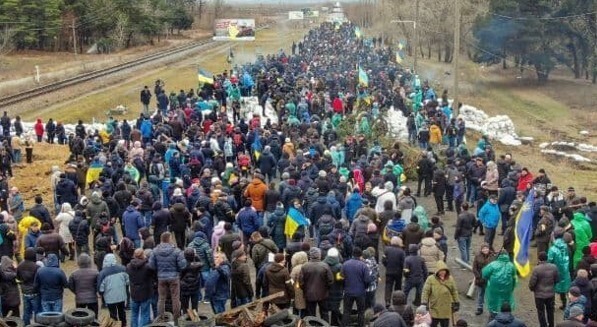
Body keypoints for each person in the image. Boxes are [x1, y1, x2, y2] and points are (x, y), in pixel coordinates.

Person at [149, 232, 187, 319]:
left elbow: (151, 265)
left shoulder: (155, 251)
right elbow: (183, 265)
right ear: (169, 239)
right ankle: (176, 319)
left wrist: (159, 269)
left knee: (161, 299)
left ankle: (161, 318)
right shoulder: (176, 251)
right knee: (175, 299)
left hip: (161, 277)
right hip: (174, 277)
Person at [341, 247, 373, 327]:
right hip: (360, 292)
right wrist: (364, 287)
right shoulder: (363, 266)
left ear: (352, 254)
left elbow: (341, 277)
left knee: (346, 312)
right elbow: (367, 280)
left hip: (348, 292)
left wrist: (344, 286)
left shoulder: (345, 264)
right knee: (361, 312)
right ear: (360, 255)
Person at [421, 260, 459, 327]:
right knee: (432, 324)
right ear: (437, 271)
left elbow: (454, 291)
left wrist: (456, 302)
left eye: (444, 271)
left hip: (446, 307)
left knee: (445, 324)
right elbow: (426, 291)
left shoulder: (450, 279)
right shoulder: (431, 279)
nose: (442, 272)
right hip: (435, 306)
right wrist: (424, 302)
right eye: (441, 271)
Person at [482, 250, 517, 320]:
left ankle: (493, 318)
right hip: (507, 290)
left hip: (494, 289)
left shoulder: (493, 264)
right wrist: (512, 288)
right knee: (505, 302)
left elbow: (484, 274)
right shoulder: (511, 265)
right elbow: (514, 279)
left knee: (493, 303)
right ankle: (506, 318)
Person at [300, 247, 334, 318]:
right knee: (324, 313)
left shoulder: (305, 266)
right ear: (319, 255)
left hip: (309, 294)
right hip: (323, 294)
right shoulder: (325, 266)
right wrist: (326, 289)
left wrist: (305, 289)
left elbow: (301, 282)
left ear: (310, 255)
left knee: (310, 315)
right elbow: (330, 280)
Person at [529, 251, 560, 327]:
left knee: (541, 312)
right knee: (550, 311)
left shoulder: (536, 269)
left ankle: (543, 325)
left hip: (539, 295)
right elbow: (557, 280)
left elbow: (532, 283)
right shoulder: (554, 267)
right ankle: (551, 325)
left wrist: (532, 289)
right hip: (550, 294)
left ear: (539, 259)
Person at [98, 253, 129, 327]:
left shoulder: (103, 273)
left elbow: (101, 288)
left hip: (110, 298)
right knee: (122, 312)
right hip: (121, 295)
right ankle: (123, 325)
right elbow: (128, 281)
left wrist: (101, 294)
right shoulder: (123, 268)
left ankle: (115, 325)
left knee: (113, 314)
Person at [127, 249, 154, 327]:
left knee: (134, 314)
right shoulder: (147, 267)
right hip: (145, 293)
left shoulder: (128, 266)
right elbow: (153, 274)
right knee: (144, 314)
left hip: (134, 293)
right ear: (143, 255)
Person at [549, 229, 572, 310]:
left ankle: (552, 305)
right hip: (565, 272)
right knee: (563, 289)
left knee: (552, 289)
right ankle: (564, 304)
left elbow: (549, 260)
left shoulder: (552, 249)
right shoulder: (566, 246)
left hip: (554, 272)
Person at [17, 248, 40, 325]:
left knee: (26, 311)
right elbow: (38, 280)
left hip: (25, 292)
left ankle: (26, 325)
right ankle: (38, 325)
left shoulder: (20, 266)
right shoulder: (36, 267)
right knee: (37, 311)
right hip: (35, 292)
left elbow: (18, 278)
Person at [472, 243, 494, 315]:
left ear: (489, 248)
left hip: (490, 280)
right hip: (480, 279)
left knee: (490, 296)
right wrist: (478, 277)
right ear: (481, 249)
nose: (485, 249)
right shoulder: (477, 256)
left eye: (486, 248)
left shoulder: (493, 256)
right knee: (480, 294)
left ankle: (491, 310)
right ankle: (479, 308)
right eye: (483, 248)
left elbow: (494, 268)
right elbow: (474, 268)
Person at [383, 236, 405, 307]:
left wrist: (387, 265)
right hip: (398, 272)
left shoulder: (387, 250)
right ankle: (397, 300)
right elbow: (403, 263)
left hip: (389, 271)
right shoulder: (401, 251)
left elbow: (383, 260)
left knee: (388, 286)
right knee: (398, 286)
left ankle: (387, 301)